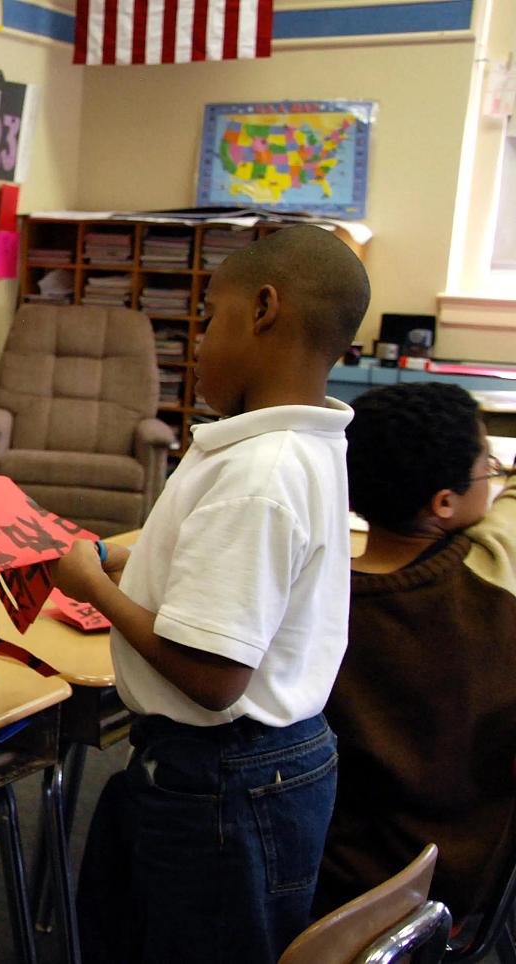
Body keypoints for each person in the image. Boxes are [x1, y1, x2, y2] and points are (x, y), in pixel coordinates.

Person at [49, 224, 369, 962]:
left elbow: (215, 677)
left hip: (224, 774)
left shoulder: (257, 475)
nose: (197, 342)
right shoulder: (297, 445)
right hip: (251, 768)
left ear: (263, 309)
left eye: (208, 319)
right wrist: (142, 555)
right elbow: (252, 573)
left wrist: (95, 586)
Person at [316, 382, 516, 929]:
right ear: (444, 503)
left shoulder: (315, 599)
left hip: (335, 890)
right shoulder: (491, 570)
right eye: (488, 466)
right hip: (465, 881)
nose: (496, 473)